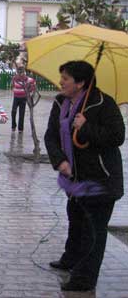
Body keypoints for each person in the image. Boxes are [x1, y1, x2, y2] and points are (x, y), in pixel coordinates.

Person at [44, 61, 124, 292]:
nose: (61, 82)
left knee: (93, 231)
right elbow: (51, 136)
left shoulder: (103, 103)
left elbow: (117, 136)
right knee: (76, 220)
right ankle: (70, 259)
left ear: (80, 83)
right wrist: (60, 161)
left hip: (101, 180)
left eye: (66, 79)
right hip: (74, 180)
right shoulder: (61, 102)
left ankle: (84, 279)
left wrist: (86, 126)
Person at [10, 66, 36, 132]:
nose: (20, 74)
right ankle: (13, 126)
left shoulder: (27, 79)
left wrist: (30, 91)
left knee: (21, 114)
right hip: (16, 97)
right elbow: (12, 85)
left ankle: (20, 129)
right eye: (18, 73)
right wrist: (14, 89)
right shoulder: (14, 78)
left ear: (23, 72)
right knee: (13, 111)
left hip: (23, 98)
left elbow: (33, 84)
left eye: (21, 73)